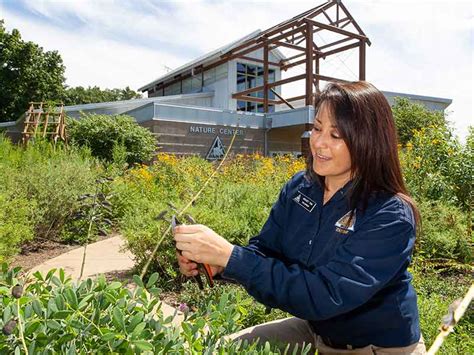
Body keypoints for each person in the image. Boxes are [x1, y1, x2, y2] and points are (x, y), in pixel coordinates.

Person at [173, 81, 427, 354]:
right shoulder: (301, 187)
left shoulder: (389, 214)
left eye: (336, 135)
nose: (318, 142)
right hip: (317, 327)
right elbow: (266, 249)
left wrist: (231, 257)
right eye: (317, 128)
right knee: (222, 349)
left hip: (375, 345)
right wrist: (216, 262)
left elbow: (326, 294)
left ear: (367, 141)